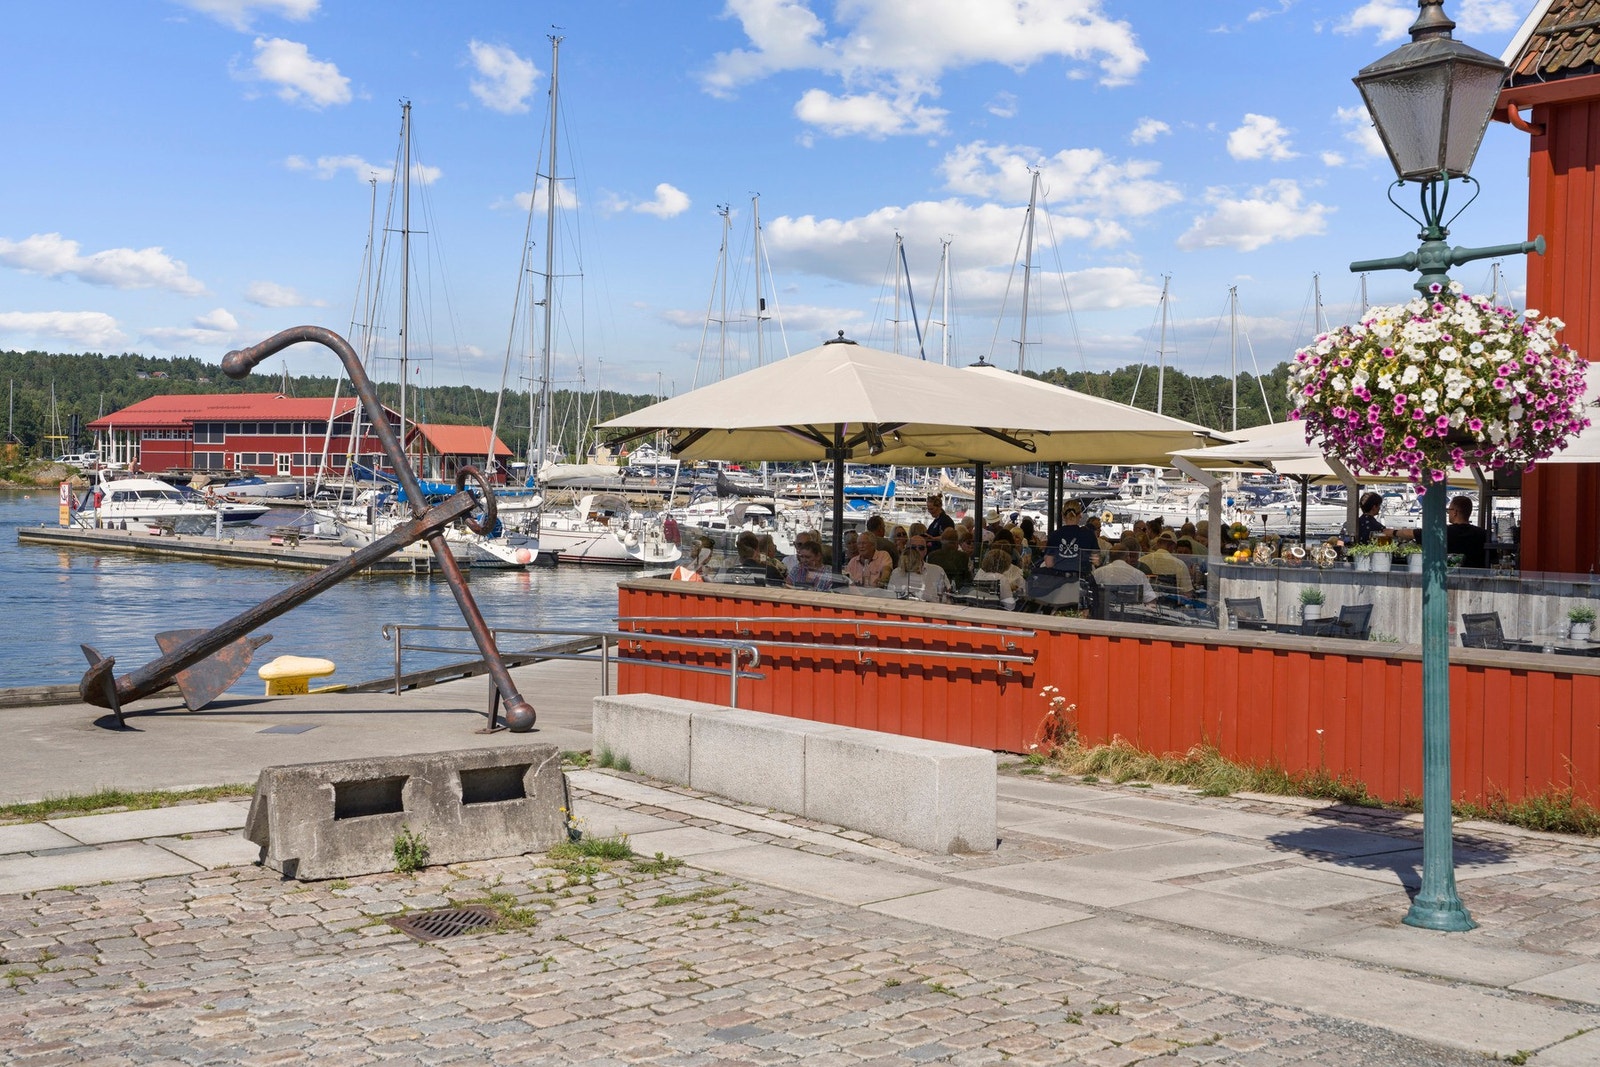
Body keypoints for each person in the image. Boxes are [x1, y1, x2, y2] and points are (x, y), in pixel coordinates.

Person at [1041, 499, 1100, 577]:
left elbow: (1049, 563)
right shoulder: (1089, 534)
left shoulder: (1054, 535)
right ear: (1080, 515)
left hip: (1059, 581)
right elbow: (1096, 561)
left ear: (1062, 515)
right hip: (1081, 581)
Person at [887, 534, 951, 602]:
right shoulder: (896, 572)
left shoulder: (937, 570)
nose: (917, 550)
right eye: (913, 548)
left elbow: (947, 597)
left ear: (925, 551)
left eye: (921, 548)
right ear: (907, 550)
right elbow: (890, 598)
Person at [1091, 549, 1156, 604]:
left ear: (1110, 559)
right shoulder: (1139, 574)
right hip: (1132, 616)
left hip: (1102, 615)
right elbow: (1150, 599)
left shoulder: (1097, 573)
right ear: (1127, 558)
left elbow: (1090, 595)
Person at [1446, 495, 1490, 568]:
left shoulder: (1444, 533)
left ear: (1455, 512)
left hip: (1449, 577)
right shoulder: (1483, 534)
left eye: (1449, 510)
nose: (1448, 512)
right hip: (1477, 577)